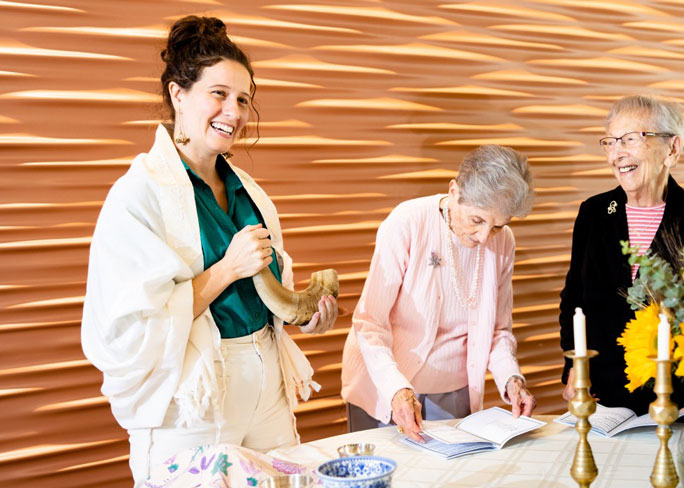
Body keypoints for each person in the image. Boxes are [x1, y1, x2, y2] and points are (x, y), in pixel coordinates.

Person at [80, 16, 337, 485]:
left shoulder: (252, 194)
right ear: (179, 94)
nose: (234, 112)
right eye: (218, 94)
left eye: (243, 99)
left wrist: (306, 314)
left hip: (268, 388)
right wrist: (227, 269)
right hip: (192, 401)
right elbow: (128, 330)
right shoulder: (138, 195)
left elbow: (274, 294)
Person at [341, 145, 537, 441]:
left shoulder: (503, 242)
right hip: (386, 384)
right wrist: (397, 388)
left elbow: (498, 329)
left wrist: (511, 377)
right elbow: (370, 322)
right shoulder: (407, 222)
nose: (485, 237)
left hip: (453, 391)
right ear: (455, 192)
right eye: (477, 220)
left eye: (497, 226)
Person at [559, 95, 684, 414]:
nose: (617, 154)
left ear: (672, 148)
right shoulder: (593, 213)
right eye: (610, 142)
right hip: (601, 400)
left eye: (631, 139)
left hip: (676, 402)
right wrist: (573, 364)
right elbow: (574, 298)